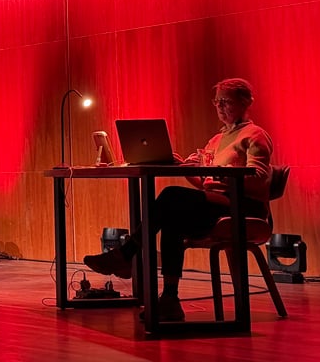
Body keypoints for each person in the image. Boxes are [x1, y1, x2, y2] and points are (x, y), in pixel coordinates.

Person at [83, 77, 273, 322]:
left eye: (226, 101)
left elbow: (257, 178)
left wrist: (214, 171)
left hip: (243, 205)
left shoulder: (255, 135)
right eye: (217, 102)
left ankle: (126, 254)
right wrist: (184, 166)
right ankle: (169, 299)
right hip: (216, 203)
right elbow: (204, 184)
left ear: (246, 102)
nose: (220, 107)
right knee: (172, 221)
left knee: (171, 195)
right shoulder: (216, 139)